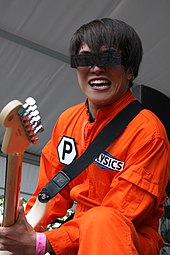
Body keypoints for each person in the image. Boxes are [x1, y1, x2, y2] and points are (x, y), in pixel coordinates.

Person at [0, 18, 169, 255]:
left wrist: (41, 244)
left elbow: (119, 214)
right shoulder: (68, 120)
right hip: (76, 241)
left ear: (130, 70)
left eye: (109, 58)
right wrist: (23, 229)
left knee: (102, 220)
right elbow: (49, 194)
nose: (96, 68)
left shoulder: (148, 132)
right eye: (86, 59)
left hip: (125, 241)